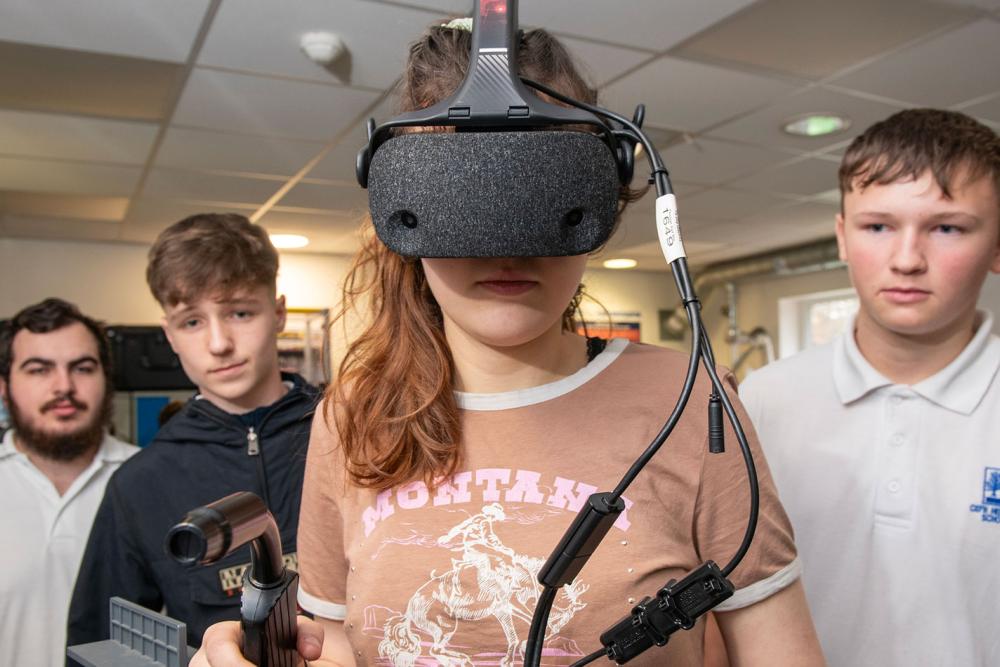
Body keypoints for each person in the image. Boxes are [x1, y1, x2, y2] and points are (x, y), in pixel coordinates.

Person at [194, 22, 824, 667]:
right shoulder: (353, 414)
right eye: (463, 198)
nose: (506, 247)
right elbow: (331, 646)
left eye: (544, 196)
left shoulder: (689, 400)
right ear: (401, 200)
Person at [739, 109, 1000, 666]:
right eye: (878, 227)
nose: (907, 260)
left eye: (947, 228)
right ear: (841, 237)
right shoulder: (765, 400)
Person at [67, 214, 320, 651]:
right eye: (192, 322)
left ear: (278, 313)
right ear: (170, 335)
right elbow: (101, 649)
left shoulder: (356, 438)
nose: (219, 343)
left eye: (239, 312)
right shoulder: (139, 484)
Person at [0, 298, 138, 667]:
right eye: (38, 370)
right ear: (4, 386)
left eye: (82, 367)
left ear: (106, 380)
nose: (64, 386)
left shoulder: (148, 481)